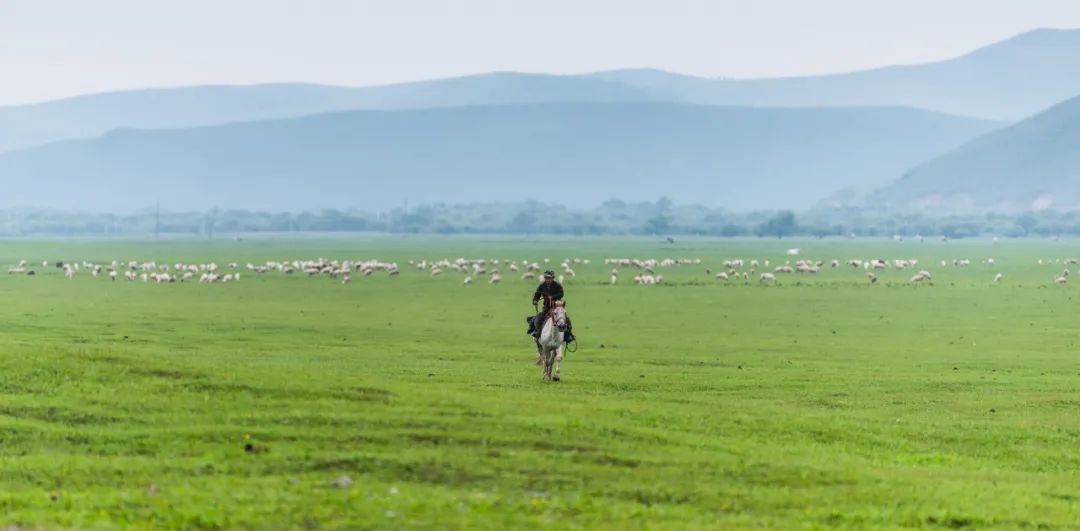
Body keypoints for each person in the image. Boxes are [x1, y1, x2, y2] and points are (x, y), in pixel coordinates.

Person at [527, 270, 573, 341]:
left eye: (549, 278)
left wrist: (552, 297)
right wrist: (535, 300)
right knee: (539, 318)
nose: (547, 279)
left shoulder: (557, 285)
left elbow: (561, 294)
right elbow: (537, 294)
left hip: (557, 306)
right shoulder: (542, 286)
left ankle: (568, 335)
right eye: (546, 278)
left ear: (552, 278)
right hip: (547, 307)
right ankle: (537, 332)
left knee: (566, 319)